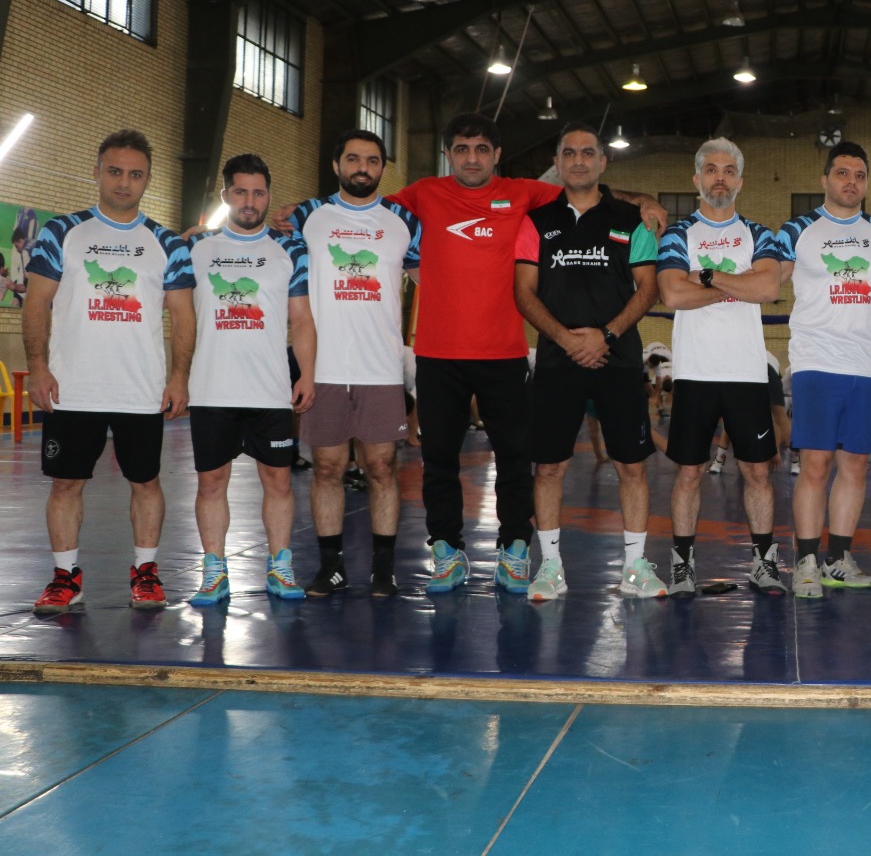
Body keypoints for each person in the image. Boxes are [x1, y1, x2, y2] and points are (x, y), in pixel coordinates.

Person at [383, 112, 665, 594]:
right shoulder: (425, 193)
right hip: (441, 352)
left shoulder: (525, 196)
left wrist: (645, 200)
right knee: (440, 460)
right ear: (448, 154)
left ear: (497, 155)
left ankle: (516, 549)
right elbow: (360, 207)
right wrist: (300, 213)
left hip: (507, 353)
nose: (472, 159)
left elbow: (588, 191)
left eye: (482, 149)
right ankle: (448, 552)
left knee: (517, 460)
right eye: (462, 149)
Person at [24, 130, 196, 614]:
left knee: (146, 481)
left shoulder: (166, 242)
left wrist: (179, 377)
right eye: (115, 171)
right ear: (97, 172)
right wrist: (37, 367)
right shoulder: (62, 232)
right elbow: (36, 303)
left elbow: (184, 315)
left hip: (140, 388)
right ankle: (65, 577)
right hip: (72, 387)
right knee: (65, 484)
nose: (124, 182)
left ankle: (146, 572)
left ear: (147, 179)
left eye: (135, 174)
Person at [513, 123, 666, 600]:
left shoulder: (632, 220)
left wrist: (607, 335)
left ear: (603, 161)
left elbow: (649, 288)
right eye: (569, 153)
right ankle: (550, 568)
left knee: (631, 466)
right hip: (557, 362)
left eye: (587, 153)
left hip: (617, 360)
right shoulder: (536, 222)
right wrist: (565, 339)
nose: (578, 161)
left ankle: (636, 567)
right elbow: (524, 292)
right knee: (548, 468)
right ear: (557, 163)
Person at [283, 129, 420, 597]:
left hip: (380, 366)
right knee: (326, 467)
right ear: (337, 165)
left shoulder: (403, 221)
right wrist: (200, 238)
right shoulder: (306, 216)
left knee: (381, 466)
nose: (363, 168)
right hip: (323, 367)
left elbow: (437, 276)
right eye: (354, 159)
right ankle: (331, 568)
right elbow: (255, 241)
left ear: (383, 168)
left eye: (373, 160)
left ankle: (384, 569)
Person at [186, 154, 317, 604]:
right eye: (240, 192)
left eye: (258, 193)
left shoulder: (290, 250)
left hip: (270, 390)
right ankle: (214, 572)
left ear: (268, 196)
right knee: (211, 482)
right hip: (211, 388)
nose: (250, 201)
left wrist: (308, 374)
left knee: (278, 481)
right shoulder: (196, 249)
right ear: (225, 196)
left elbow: (302, 320)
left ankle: (281, 567)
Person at [657, 138, 785, 596]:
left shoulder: (759, 233)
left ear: (740, 181)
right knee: (689, 472)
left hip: (746, 371)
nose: (720, 178)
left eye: (729, 171)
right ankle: (682, 567)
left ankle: (764, 564)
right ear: (697, 179)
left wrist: (707, 277)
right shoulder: (678, 234)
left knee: (758, 472)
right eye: (711, 170)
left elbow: (768, 288)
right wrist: (737, 284)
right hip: (695, 371)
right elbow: (672, 294)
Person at [776, 140, 871, 598]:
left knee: (856, 465)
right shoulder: (797, 230)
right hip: (816, 361)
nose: (851, 182)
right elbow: (768, 281)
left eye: (860, 175)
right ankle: (806, 562)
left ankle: (838, 561)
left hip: (866, 364)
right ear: (825, 179)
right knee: (815, 463)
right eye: (843, 174)